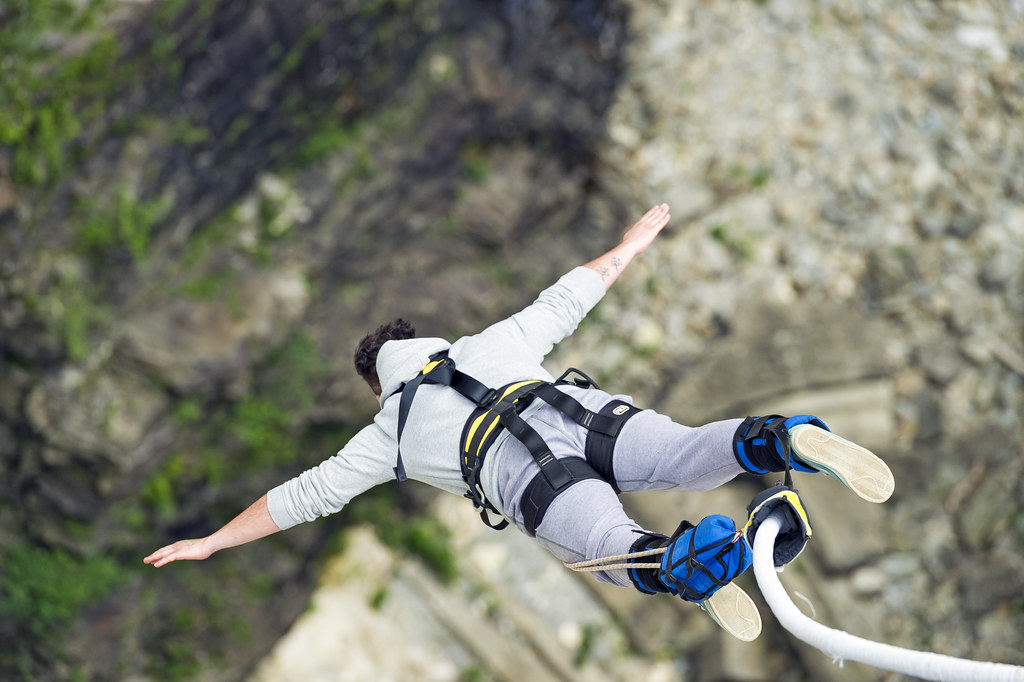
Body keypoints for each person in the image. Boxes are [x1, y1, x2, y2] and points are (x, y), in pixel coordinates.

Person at [144, 204, 894, 641]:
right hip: (588, 416)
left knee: (613, 545)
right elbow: (570, 295)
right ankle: (776, 439)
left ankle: (683, 565)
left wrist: (211, 541)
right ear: (425, 342)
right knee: (685, 453)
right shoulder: (486, 344)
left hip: (532, 477)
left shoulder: (387, 436)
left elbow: (300, 497)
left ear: (379, 384)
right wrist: (631, 244)